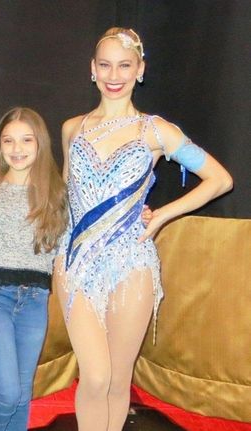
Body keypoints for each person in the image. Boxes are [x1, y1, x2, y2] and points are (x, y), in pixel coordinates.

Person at [54, 27, 233, 431]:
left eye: (124, 65)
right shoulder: (71, 128)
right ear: (92, 70)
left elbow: (220, 180)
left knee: (117, 380)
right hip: (75, 261)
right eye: (105, 65)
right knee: (95, 376)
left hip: (131, 262)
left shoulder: (156, 131)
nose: (114, 75)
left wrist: (163, 215)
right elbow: (68, 194)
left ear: (140, 70)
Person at [0, 108, 67, 431]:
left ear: (40, 144)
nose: (17, 149)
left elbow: (67, 246)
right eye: (9, 141)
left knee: (22, 395)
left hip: (34, 300)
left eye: (26, 140)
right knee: (6, 393)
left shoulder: (56, 194)